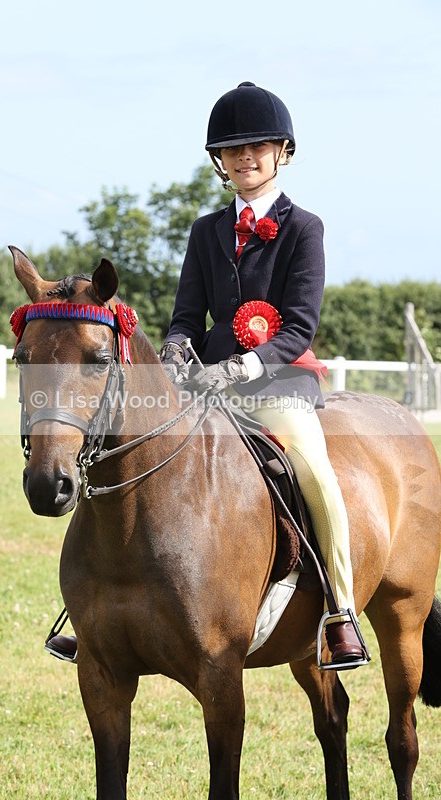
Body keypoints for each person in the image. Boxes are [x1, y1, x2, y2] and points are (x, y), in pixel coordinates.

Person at [159, 81, 367, 669]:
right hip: (206, 388)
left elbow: (299, 327)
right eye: (233, 149)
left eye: (258, 146)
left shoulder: (305, 228)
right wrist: (178, 349)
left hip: (277, 384)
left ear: (283, 153)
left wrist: (241, 366)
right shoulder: (205, 231)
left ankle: (340, 613)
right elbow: (184, 317)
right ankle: (101, 612)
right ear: (219, 162)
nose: (245, 156)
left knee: (316, 473)